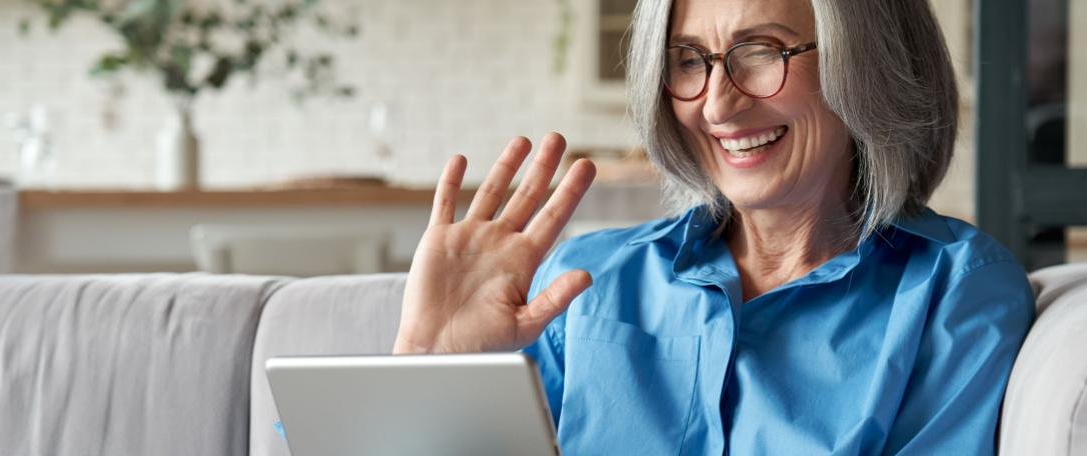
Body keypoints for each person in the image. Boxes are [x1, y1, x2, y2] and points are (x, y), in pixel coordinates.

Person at [393, 0, 1035, 454]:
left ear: (866, 63)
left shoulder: (956, 291)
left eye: (761, 52)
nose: (719, 104)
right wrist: (427, 363)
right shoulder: (583, 282)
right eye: (689, 60)